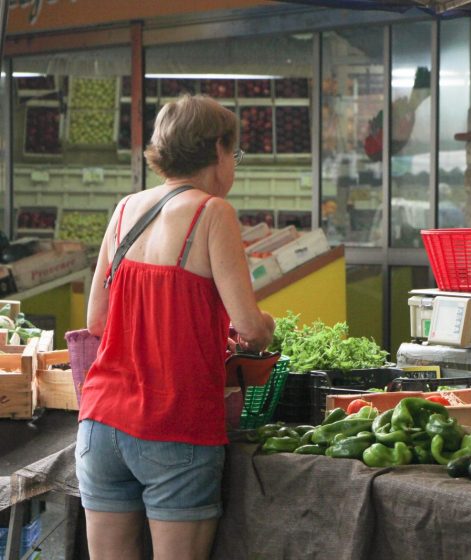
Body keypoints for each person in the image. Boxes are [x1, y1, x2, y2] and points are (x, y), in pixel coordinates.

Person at [76, 94, 275, 560]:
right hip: (175, 424)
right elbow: (250, 327)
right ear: (219, 150)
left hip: (101, 424)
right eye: (235, 154)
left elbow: (97, 322)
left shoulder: (125, 209)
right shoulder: (213, 213)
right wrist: (263, 324)